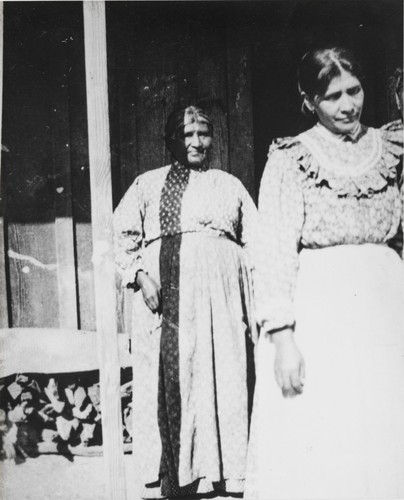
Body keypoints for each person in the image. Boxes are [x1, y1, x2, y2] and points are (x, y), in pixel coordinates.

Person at [245, 47, 404, 499]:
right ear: (309, 100)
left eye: (354, 91)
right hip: (322, 309)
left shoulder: (392, 149)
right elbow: (273, 248)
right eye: (332, 96)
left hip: (386, 303)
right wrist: (282, 338)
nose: (347, 105)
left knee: (385, 424)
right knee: (328, 429)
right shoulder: (292, 158)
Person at [114, 105, 257, 499]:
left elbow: (256, 241)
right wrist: (141, 276)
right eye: (186, 134)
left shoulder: (229, 184)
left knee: (223, 374)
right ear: (170, 141)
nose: (196, 142)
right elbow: (120, 240)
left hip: (222, 302)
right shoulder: (147, 185)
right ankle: (176, 476)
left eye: (204, 134)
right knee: (174, 377)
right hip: (168, 301)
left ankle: (226, 474)